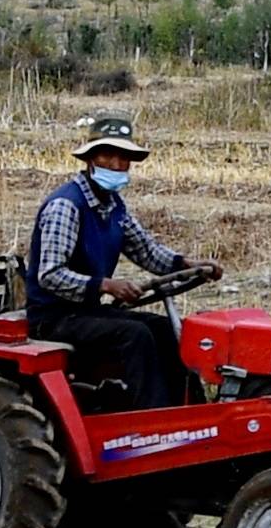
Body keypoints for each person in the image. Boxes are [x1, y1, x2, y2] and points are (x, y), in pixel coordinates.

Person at [26, 115, 211, 415]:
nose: (115, 163)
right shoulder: (66, 206)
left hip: (87, 311)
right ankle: (153, 420)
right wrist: (106, 285)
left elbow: (147, 252)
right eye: (108, 155)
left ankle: (191, 412)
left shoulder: (114, 206)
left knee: (165, 329)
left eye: (123, 157)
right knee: (134, 336)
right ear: (90, 159)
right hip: (55, 317)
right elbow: (50, 275)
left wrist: (187, 264)